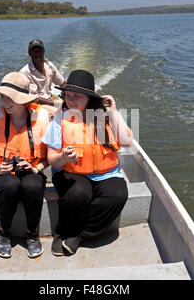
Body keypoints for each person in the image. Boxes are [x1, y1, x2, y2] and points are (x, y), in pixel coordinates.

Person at [41, 69, 133, 256]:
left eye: (76, 96)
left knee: (117, 194)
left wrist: (114, 113)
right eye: (67, 95)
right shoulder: (60, 119)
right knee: (79, 192)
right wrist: (64, 158)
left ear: (89, 98)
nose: (70, 100)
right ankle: (63, 233)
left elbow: (126, 141)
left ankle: (81, 235)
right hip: (71, 172)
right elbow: (52, 159)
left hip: (106, 173)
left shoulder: (105, 115)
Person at [0, 72, 51, 259]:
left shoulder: (42, 119)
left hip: (31, 171)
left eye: (10, 98)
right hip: (1, 175)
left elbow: (48, 158)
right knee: (11, 185)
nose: (5, 102)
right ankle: (4, 233)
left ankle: (32, 234)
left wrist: (35, 168)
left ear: (23, 100)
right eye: (3, 97)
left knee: (32, 185)